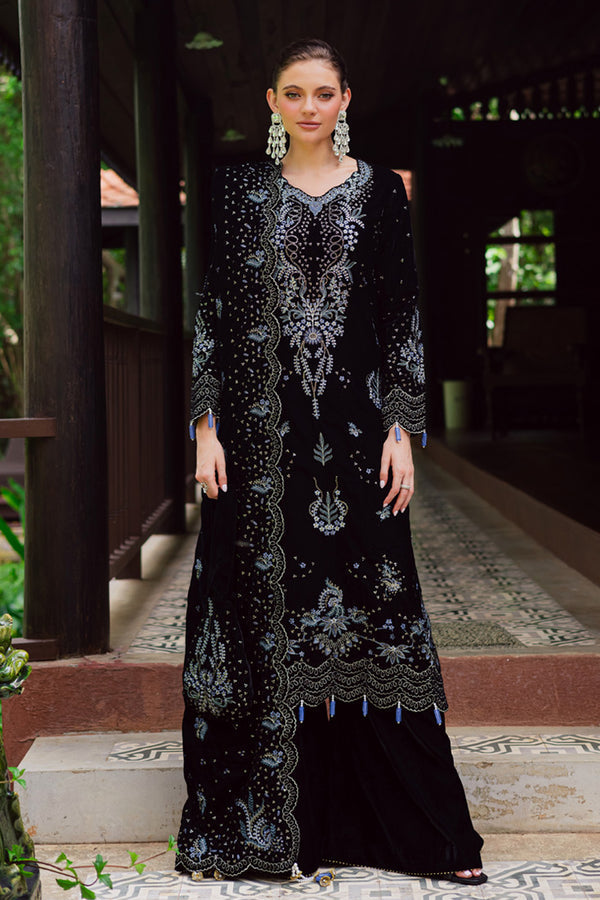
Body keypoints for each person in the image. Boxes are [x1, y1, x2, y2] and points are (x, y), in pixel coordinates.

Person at [176, 38, 486, 887]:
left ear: (345, 99)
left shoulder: (382, 193)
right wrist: (205, 428)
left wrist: (402, 430)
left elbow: (401, 313)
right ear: (271, 104)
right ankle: (273, 832)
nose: (309, 107)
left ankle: (428, 838)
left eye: (323, 93)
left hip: (355, 441)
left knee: (380, 610)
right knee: (259, 616)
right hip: (257, 445)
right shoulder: (241, 193)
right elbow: (212, 312)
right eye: (294, 93)